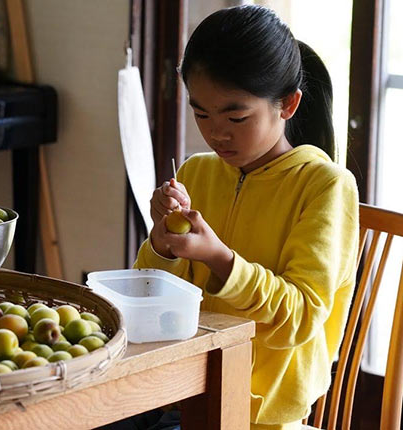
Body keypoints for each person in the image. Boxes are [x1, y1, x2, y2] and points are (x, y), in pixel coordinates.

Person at [134, 4, 359, 430]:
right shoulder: (197, 172)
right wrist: (162, 246)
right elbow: (152, 304)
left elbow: (301, 318)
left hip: (260, 414)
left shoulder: (325, 186)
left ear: (288, 104)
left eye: (236, 116)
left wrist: (220, 259)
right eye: (201, 113)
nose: (217, 132)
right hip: (180, 393)